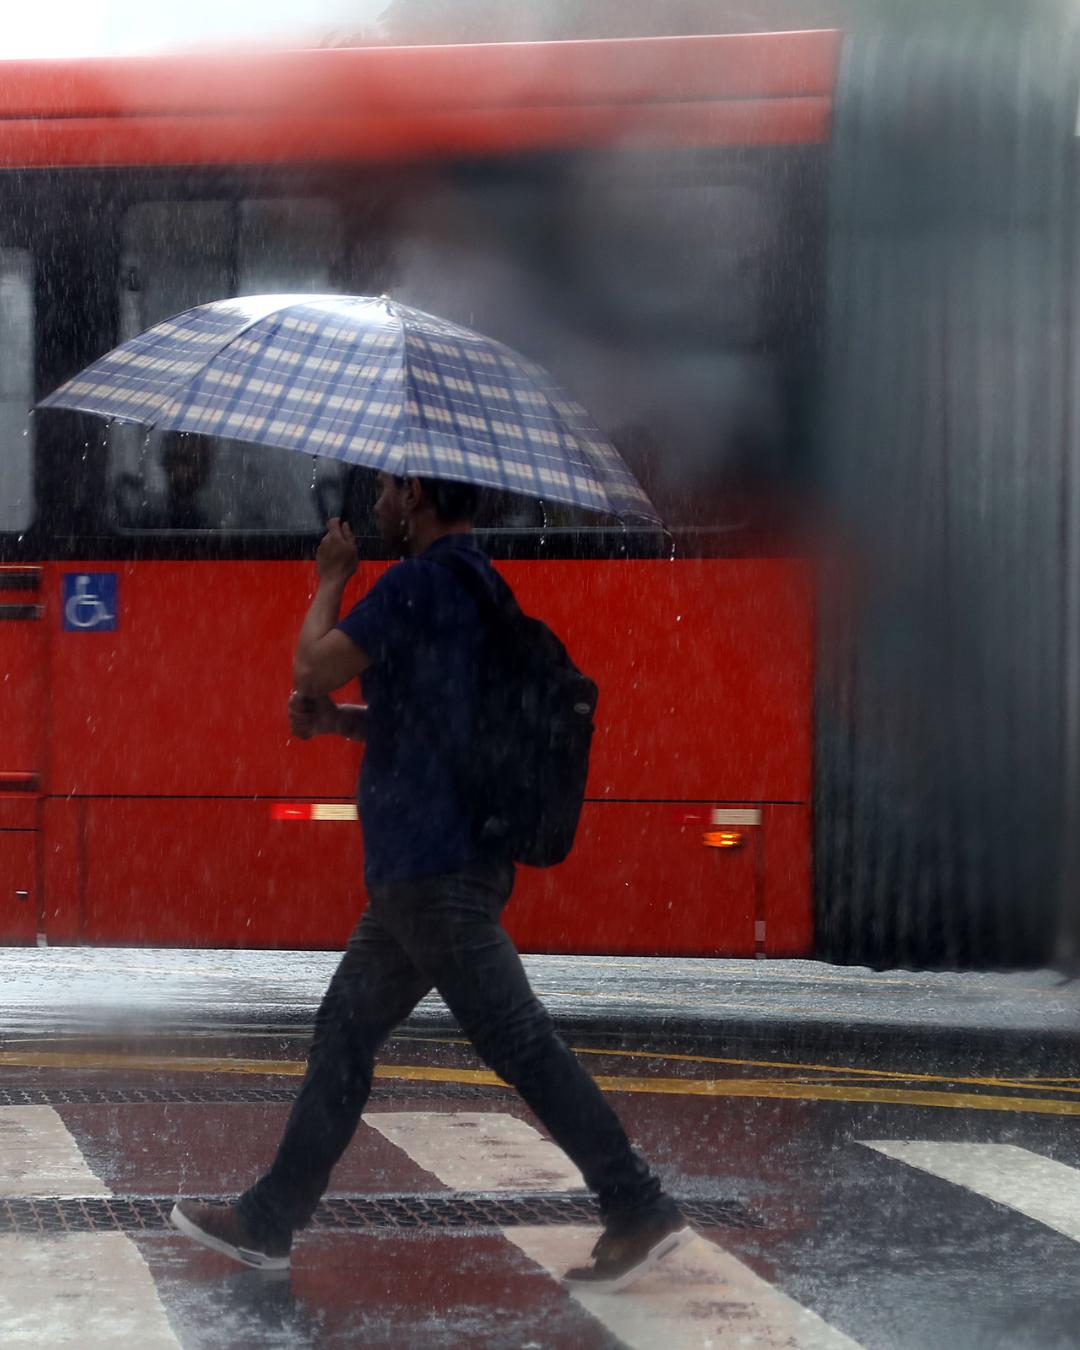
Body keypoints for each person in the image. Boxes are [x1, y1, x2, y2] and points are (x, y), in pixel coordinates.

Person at [170, 470, 690, 1292]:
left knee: (519, 1042)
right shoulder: (477, 584)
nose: (373, 504)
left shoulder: (415, 584)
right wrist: (342, 722)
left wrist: (331, 578)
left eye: (383, 489)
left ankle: (638, 1204)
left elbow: (311, 665)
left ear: (414, 496)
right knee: (345, 1033)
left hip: (430, 869)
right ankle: (269, 1221)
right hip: (437, 866)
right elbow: (432, 723)